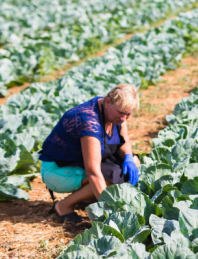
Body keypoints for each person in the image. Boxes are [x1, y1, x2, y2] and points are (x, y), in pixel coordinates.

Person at [39, 84, 141, 223]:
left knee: (133, 162)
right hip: (58, 169)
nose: (123, 118)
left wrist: (128, 158)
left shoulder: (114, 111)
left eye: (128, 114)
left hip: (79, 161)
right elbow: (93, 171)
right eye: (121, 113)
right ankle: (63, 206)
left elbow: (124, 142)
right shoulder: (89, 121)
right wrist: (108, 211)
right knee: (112, 175)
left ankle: (87, 198)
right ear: (107, 102)